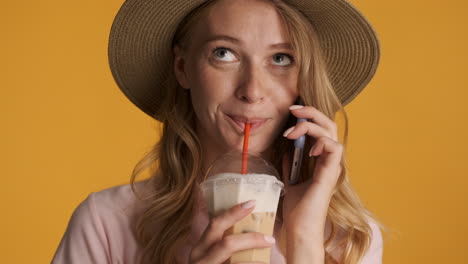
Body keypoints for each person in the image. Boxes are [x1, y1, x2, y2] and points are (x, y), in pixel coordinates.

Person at [52, 0, 385, 263]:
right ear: (183, 67)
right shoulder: (106, 223)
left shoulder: (347, 239)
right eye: (223, 54)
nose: (252, 91)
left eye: (281, 58)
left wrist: (304, 244)